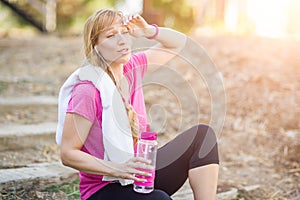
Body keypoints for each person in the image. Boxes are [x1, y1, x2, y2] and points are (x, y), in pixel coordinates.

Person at [57, 8, 219, 200]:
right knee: (160, 199)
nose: (122, 40)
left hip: (137, 174)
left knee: (202, 138)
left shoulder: (132, 68)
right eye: (111, 35)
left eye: (124, 32)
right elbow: (68, 154)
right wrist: (118, 168)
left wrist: (148, 31)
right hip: (104, 188)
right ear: (95, 46)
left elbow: (178, 43)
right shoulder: (87, 90)